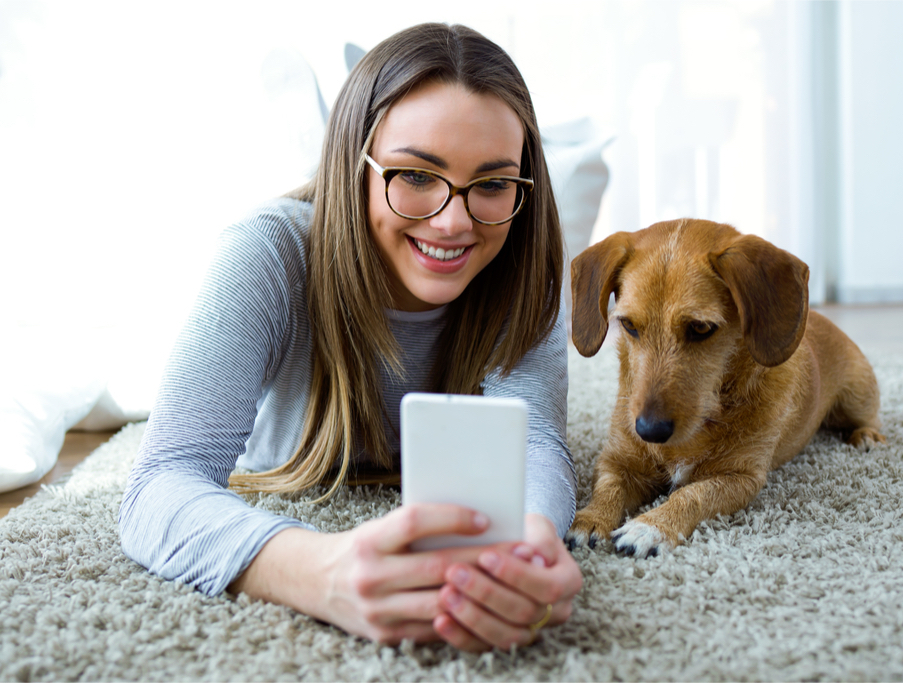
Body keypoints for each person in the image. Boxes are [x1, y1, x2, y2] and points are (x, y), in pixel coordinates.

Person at [118, 22, 582, 652]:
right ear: (356, 166)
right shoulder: (266, 252)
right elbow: (160, 483)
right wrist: (321, 573)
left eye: (494, 184)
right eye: (416, 175)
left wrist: (530, 543)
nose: (454, 221)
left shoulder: (524, 264)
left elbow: (539, 442)